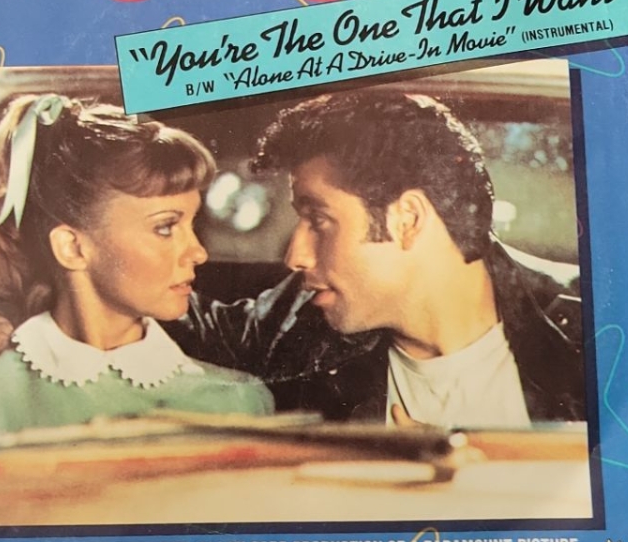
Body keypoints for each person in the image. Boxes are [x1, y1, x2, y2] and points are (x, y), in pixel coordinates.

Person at [175, 89, 585, 429]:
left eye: (318, 220)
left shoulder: (592, 327)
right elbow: (175, 315)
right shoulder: (293, 325)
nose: (295, 256)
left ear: (407, 219)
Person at [0, 95, 273, 436]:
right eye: (165, 227)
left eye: (192, 224)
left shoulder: (238, 401)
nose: (198, 253)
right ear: (72, 248)